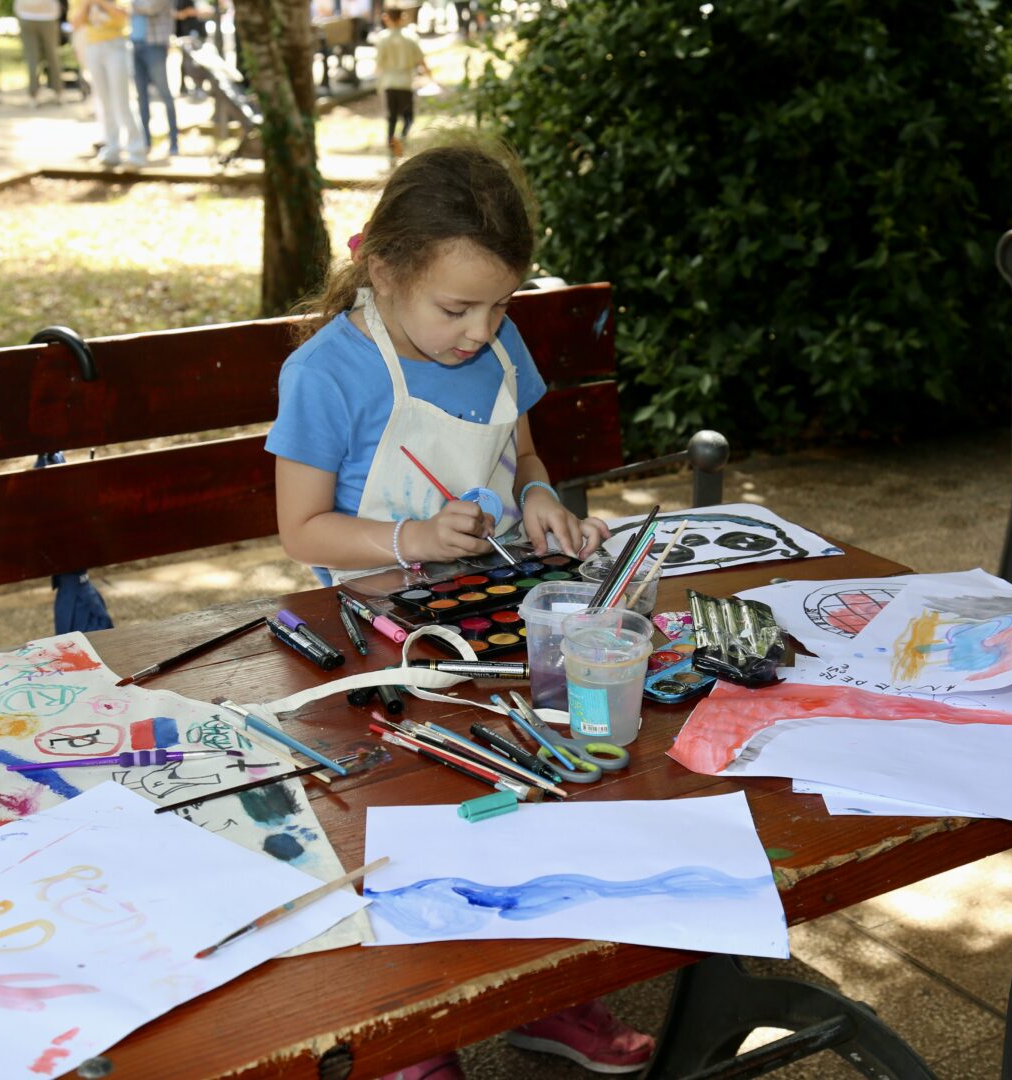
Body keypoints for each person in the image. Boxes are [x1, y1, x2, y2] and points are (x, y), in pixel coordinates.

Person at [266, 136, 652, 1079]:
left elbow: (522, 454)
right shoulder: (328, 372)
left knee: (537, 791)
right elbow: (302, 529)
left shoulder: (497, 344)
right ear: (385, 270)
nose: (481, 331)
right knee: (408, 825)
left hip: (494, 615)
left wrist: (540, 498)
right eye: (456, 309)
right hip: (375, 642)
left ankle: (548, 990)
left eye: (500, 306)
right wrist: (410, 539)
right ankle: (415, 1032)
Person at [72, 0, 143, 166]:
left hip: (116, 45)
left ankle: (136, 151)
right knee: (104, 102)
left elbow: (123, 15)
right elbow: (75, 23)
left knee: (122, 101)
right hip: (92, 46)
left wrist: (100, 2)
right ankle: (112, 148)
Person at [373, 2, 428, 163]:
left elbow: (378, 64)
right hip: (405, 83)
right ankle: (401, 139)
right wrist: (430, 76)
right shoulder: (410, 37)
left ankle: (392, 147)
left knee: (391, 118)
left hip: (388, 83)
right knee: (408, 118)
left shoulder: (382, 38)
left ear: (386, 18)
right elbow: (421, 60)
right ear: (403, 17)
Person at [129, 0, 176, 158]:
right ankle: (145, 142)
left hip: (155, 45)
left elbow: (150, 8)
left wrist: (128, 5)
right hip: (135, 44)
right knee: (141, 97)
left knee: (165, 95)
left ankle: (174, 142)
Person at [16, 0, 65, 105]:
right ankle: (58, 92)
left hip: (27, 14)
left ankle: (34, 96)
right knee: (52, 56)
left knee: (33, 58)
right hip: (46, 15)